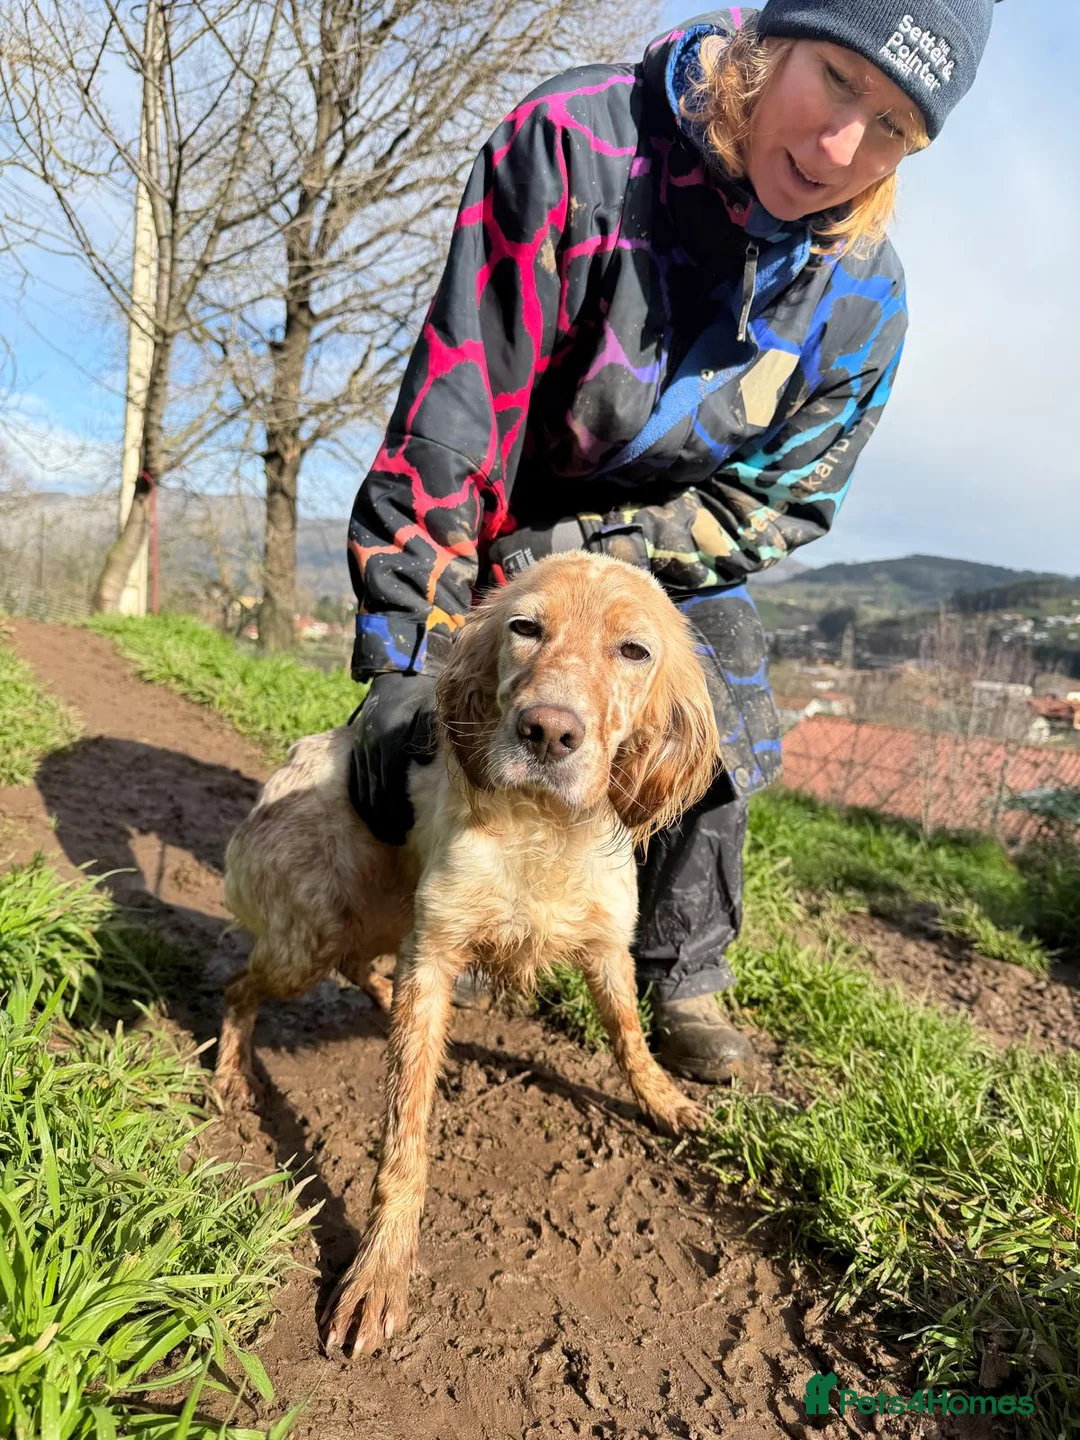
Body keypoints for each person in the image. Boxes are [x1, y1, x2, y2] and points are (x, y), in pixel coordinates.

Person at [345, 0, 998, 1082]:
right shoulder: (573, 147)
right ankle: (418, 906)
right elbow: (455, 418)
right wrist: (408, 649)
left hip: (664, 548)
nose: (843, 148)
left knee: (727, 696)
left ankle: (684, 972)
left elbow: (779, 499)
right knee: (412, 741)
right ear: (767, 41)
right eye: (836, 79)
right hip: (505, 523)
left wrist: (616, 556)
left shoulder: (865, 297)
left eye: (892, 127)